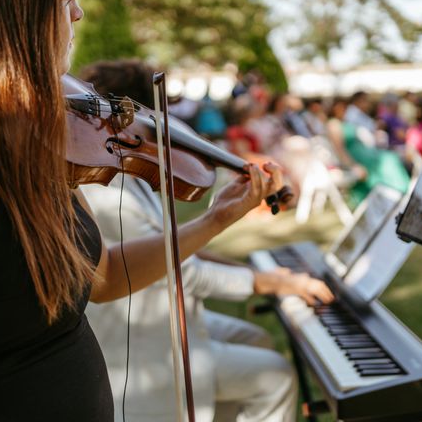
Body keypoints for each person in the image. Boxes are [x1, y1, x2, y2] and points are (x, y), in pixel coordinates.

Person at [0, 0, 284, 421]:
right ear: (2, 7)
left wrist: (217, 218)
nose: (78, 12)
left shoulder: (22, 136)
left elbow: (102, 275)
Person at [78, 59, 335, 422]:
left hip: (169, 313)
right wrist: (266, 281)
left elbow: (173, 246)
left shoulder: (134, 172)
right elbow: (178, 271)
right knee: (274, 375)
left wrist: (245, 267)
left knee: (255, 339)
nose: (164, 128)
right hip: (138, 339)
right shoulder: (105, 190)